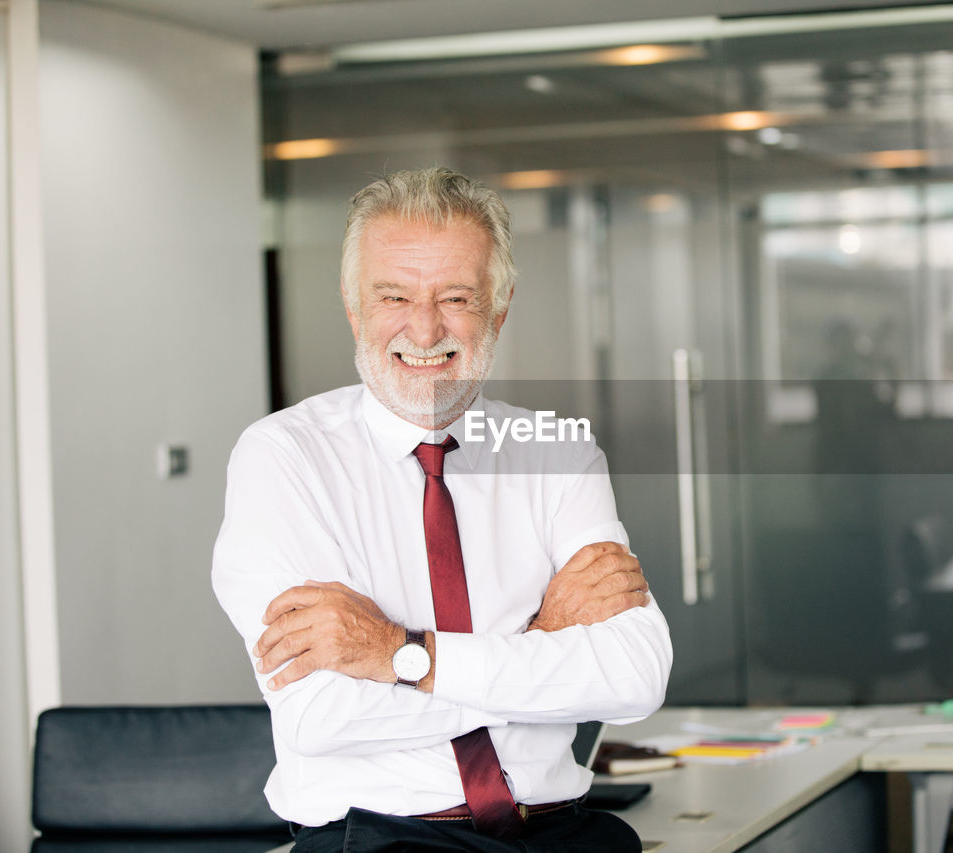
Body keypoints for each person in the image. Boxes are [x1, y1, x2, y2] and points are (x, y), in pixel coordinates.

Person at [211, 168, 672, 852]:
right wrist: (542, 644)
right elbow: (322, 712)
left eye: (455, 296)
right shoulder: (284, 459)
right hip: (383, 842)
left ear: (500, 305)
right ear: (352, 304)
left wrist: (400, 654)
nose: (424, 328)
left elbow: (635, 675)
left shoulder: (559, 452)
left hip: (561, 832)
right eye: (393, 294)